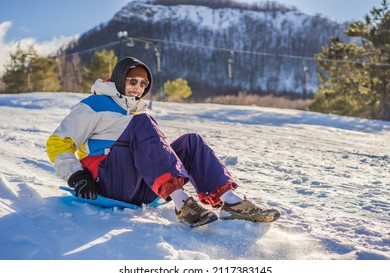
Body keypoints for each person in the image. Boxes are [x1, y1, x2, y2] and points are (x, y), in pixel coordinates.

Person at [46, 56, 280, 227]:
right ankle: (182, 204)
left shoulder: (136, 112)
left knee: (191, 142)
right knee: (143, 122)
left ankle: (230, 202)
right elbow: (57, 143)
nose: (138, 88)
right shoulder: (95, 105)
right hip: (106, 182)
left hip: (141, 190)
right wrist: (77, 177)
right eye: (132, 81)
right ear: (118, 79)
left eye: (143, 84)